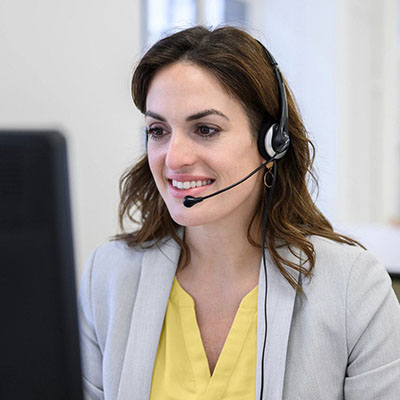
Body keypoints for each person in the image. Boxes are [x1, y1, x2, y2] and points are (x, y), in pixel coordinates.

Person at [78, 26, 400, 400]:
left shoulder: (353, 289)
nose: (174, 157)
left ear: (271, 144)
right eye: (157, 130)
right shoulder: (109, 276)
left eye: (205, 129)